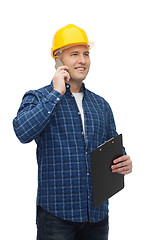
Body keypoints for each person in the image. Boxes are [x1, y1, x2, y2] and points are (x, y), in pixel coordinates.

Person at [13, 24, 132, 240]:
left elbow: (112, 149)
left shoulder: (101, 105)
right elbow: (22, 131)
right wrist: (56, 92)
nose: (82, 60)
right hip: (56, 217)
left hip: (96, 216)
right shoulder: (38, 98)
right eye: (74, 54)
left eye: (86, 54)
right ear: (57, 59)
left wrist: (123, 161)